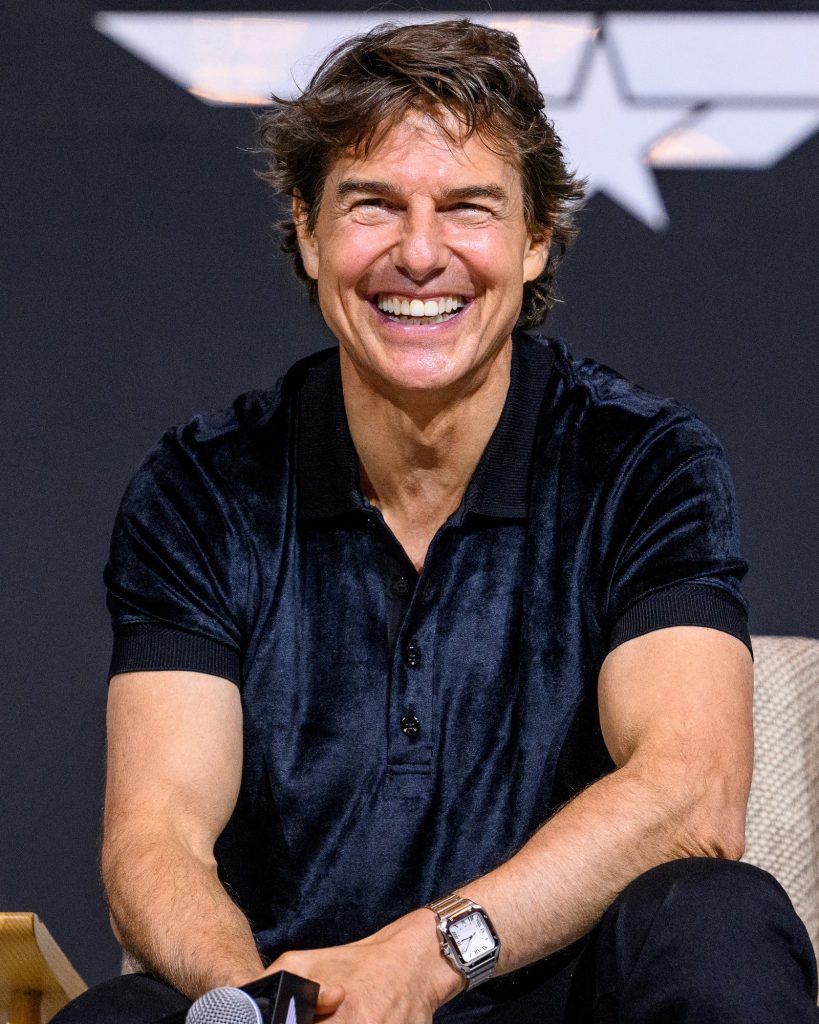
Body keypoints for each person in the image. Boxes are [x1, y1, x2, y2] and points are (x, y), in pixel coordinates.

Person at [55, 18, 818, 1024]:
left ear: (537, 237)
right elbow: (155, 837)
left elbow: (691, 791)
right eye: (373, 205)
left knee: (718, 916)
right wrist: (265, 1002)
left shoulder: (641, 459)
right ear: (310, 228)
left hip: (559, 998)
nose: (420, 254)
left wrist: (428, 958)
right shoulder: (204, 488)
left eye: (468, 207)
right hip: (299, 994)